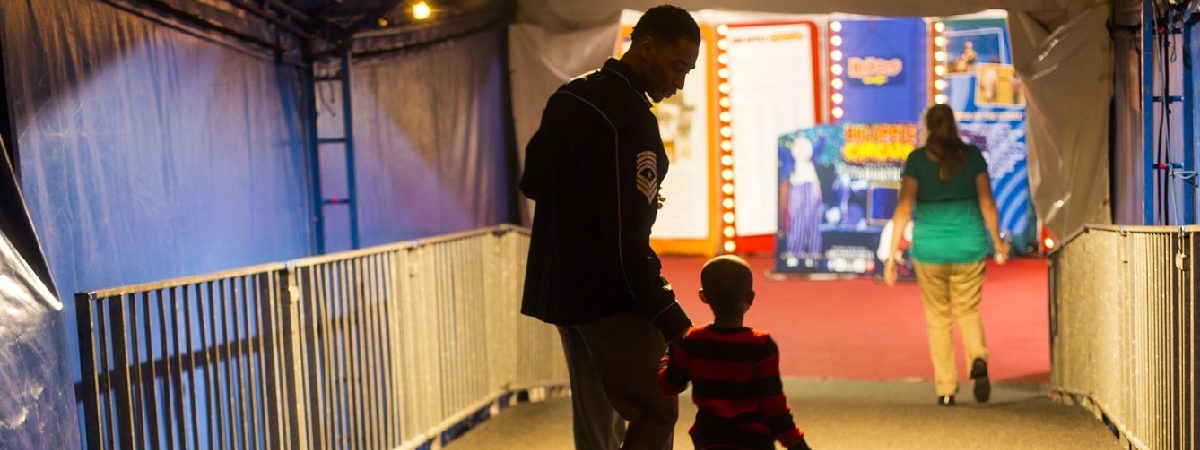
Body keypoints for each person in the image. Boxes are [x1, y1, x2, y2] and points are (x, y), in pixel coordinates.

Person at [518, 5, 700, 449]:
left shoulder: (569, 95)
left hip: (562, 292)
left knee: (597, 428)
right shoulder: (631, 122)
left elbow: (532, 181)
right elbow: (625, 241)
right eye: (678, 67)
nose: (679, 83)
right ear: (646, 46)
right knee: (655, 410)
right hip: (609, 296)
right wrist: (671, 319)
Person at [882, 104, 1010, 406]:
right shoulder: (973, 157)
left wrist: (891, 256)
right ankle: (977, 359)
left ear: (927, 127)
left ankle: (946, 389)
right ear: (953, 126)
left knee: (938, 318)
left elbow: (903, 208)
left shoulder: (916, 161)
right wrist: (999, 243)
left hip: (929, 250)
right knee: (967, 310)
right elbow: (987, 203)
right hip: (969, 246)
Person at [658, 255, 812, 450]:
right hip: (754, 442)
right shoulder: (761, 346)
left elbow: (669, 385)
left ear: (703, 296)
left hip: (709, 440)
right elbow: (774, 409)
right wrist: (798, 445)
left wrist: (665, 359)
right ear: (750, 298)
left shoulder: (694, 341)